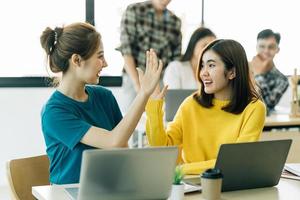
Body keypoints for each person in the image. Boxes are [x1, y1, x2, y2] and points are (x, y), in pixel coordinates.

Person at [40, 22, 163, 184]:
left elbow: (122, 149)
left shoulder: (104, 96)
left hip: (106, 189)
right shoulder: (54, 112)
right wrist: (143, 93)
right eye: (100, 56)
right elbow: (113, 141)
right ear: (77, 60)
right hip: (67, 194)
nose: (105, 63)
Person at [145, 39, 266, 175]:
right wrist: (154, 105)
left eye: (211, 65)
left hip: (228, 185)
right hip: (190, 185)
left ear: (232, 72)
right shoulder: (191, 104)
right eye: (202, 65)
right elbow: (161, 147)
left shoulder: (254, 108)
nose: (203, 73)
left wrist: (180, 170)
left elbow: (234, 161)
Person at [117, 0, 182, 113]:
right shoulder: (134, 11)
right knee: (129, 120)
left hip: (160, 81)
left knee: (158, 119)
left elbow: (175, 59)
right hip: (134, 78)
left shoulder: (175, 21)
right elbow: (127, 51)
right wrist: (139, 86)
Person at [250, 29, 289, 114]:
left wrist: (258, 75)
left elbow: (265, 108)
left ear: (277, 49)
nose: (266, 51)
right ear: (256, 47)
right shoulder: (243, 68)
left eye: (271, 47)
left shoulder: (282, 80)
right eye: (262, 46)